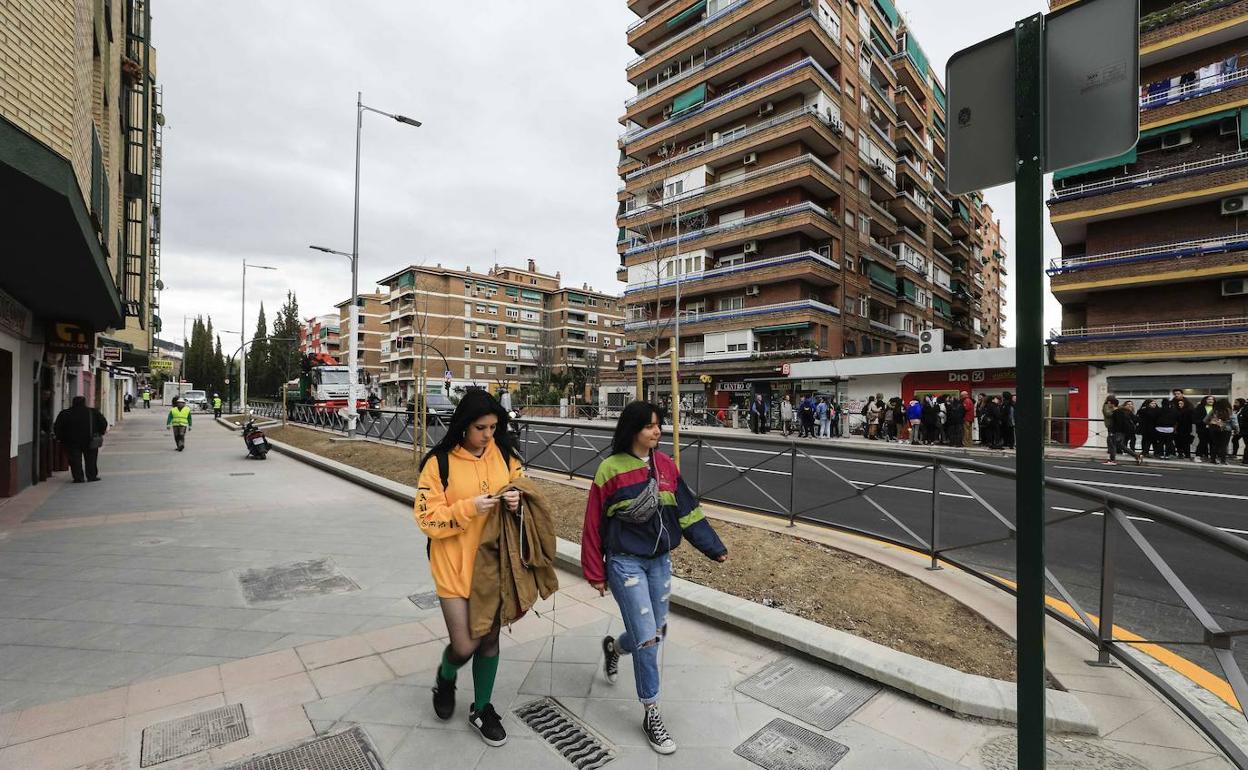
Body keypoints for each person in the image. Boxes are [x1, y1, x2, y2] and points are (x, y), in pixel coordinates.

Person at [583, 401, 727, 755]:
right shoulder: (609, 470)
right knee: (648, 640)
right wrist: (595, 571)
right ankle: (651, 713)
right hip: (625, 564)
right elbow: (593, 524)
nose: (657, 430)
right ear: (633, 429)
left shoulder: (665, 466)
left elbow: (687, 511)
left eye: (659, 424)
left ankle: (614, 647)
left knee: (655, 633)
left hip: (659, 562)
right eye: (650, 425)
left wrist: (712, 547)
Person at [417, 389, 524, 747]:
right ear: (464, 426)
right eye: (481, 427)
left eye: (494, 427)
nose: (488, 435)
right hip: (451, 566)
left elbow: (523, 486)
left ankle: (482, 708)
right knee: (463, 645)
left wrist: (515, 498)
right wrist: (467, 509)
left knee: (490, 637)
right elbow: (426, 519)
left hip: (492, 566)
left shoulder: (505, 455)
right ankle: (446, 676)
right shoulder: (439, 463)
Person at [54, 396, 108, 483]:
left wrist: (61, 438)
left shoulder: (65, 413)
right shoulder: (92, 412)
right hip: (90, 440)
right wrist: (100, 432)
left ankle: (78, 477)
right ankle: (91, 476)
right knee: (91, 459)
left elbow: (57, 427)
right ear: (84, 402)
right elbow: (103, 423)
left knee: (75, 460)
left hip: (71, 441)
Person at [1105, 398, 1142, 466]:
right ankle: (1137, 456)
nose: (1107, 405)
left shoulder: (1117, 412)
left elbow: (1118, 423)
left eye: (1108, 403)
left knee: (1112, 444)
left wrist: (1113, 432)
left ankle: (1112, 460)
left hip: (1118, 431)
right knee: (1121, 446)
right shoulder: (1122, 411)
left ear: (1112, 404)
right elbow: (1135, 419)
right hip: (1123, 432)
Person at [1204, 398, 1238, 465]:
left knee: (1215, 445)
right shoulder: (1229, 411)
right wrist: (1236, 430)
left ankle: (1213, 459)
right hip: (1226, 430)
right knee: (1224, 445)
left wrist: (1212, 423)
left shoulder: (1214, 411)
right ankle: (1223, 460)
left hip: (1214, 429)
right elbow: (1234, 423)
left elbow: (1205, 420)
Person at [1194, 395, 1216, 461]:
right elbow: (1195, 419)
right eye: (1208, 399)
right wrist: (1204, 422)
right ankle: (1198, 456)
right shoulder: (1200, 407)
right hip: (1202, 428)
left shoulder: (1216, 408)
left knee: (1213, 443)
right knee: (1203, 442)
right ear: (1205, 400)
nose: (1210, 400)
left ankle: (1213, 457)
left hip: (1214, 429)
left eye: (1212, 399)